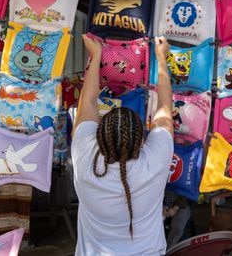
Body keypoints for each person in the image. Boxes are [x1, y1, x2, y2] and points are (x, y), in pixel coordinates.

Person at [71, 34, 174, 255]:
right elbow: (165, 107)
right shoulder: (154, 161)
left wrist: (96, 54)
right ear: (141, 139)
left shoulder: (84, 158)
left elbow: (87, 101)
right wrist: (161, 58)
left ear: (99, 134)